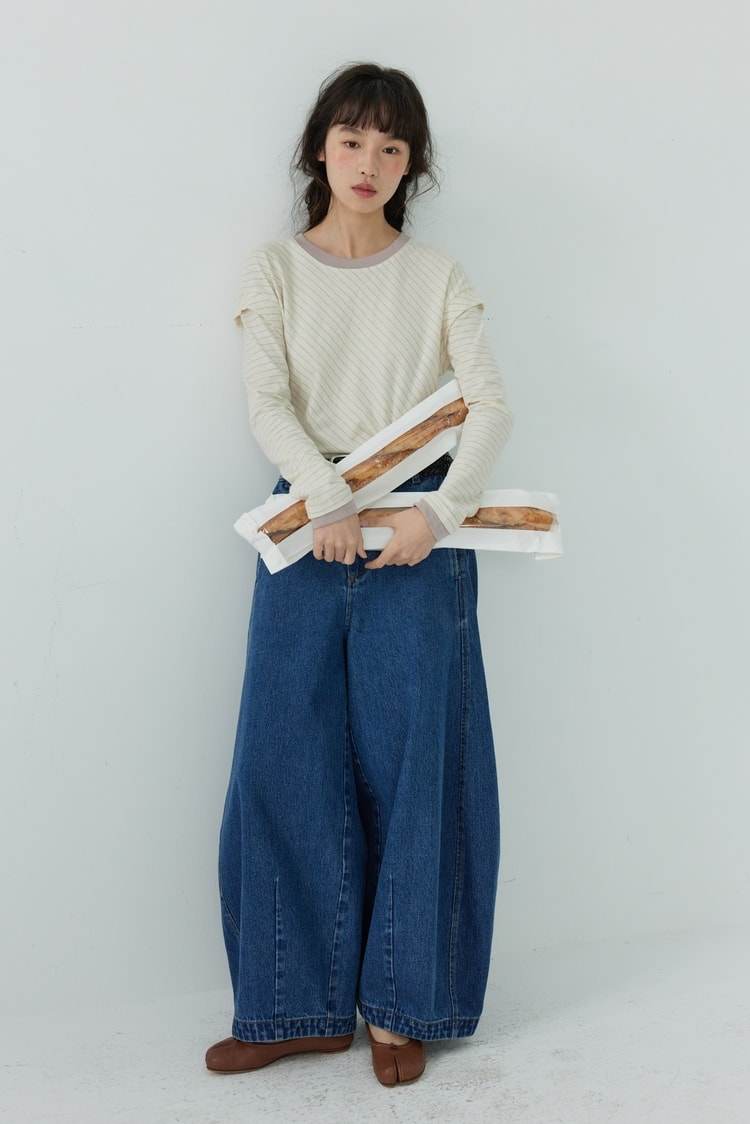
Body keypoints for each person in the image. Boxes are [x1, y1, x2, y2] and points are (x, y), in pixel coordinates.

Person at [205, 61, 514, 1088]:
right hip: (304, 517)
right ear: (319, 149)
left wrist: (441, 513)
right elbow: (267, 401)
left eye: (391, 145)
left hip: (420, 528)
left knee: (419, 761)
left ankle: (401, 1008)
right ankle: (290, 1005)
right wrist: (325, 496)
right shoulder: (273, 271)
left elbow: (489, 404)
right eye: (351, 139)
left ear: (411, 162)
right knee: (280, 754)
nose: (369, 161)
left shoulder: (439, 277)